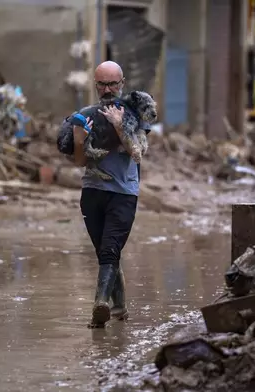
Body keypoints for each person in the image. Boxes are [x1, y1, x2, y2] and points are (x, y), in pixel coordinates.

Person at [71, 61, 151, 328]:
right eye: (102, 84)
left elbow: (137, 152)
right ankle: (119, 308)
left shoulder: (135, 113)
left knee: (109, 250)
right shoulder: (86, 114)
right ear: (95, 85)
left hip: (123, 193)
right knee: (106, 253)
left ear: (122, 84)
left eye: (112, 84)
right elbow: (80, 162)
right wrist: (80, 139)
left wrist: (119, 126)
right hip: (92, 191)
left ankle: (100, 305)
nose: (107, 89)